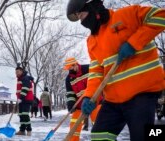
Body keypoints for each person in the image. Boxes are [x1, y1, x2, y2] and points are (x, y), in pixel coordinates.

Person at [66, 0, 165, 140]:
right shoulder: (92, 41)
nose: (82, 22)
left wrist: (134, 43)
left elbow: (160, 16)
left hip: (142, 93)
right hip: (113, 100)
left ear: (92, 7)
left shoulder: (126, 15)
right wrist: (89, 96)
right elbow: (95, 72)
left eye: (81, 15)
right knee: (99, 136)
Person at [64, 57, 101, 141]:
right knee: (74, 126)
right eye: (68, 68)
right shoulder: (69, 78)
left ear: (75, 64)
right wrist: (70, 103)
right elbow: (70, 93)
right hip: (79, 104)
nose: (70, 70)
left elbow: (97, 81)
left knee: (99, 124)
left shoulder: (88, 69)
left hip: (94, 101)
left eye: (71, 67)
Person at [15, 65, 34, 136]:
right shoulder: (19, 79)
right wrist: (19, 98)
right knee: (21, 115)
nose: (17, 73)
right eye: (16, 72)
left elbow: (25, 89)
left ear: (22, 71)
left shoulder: (25, 78)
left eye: (18, 71)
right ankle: (22, 130)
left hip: (26, 99)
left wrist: (20, 98)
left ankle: (29, 130)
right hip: (21, 99)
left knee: (25, 114)